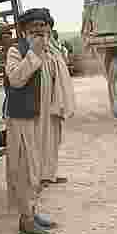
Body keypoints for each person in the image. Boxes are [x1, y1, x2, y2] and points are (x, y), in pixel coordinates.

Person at [3, 8, 59, 234]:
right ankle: (25, 220)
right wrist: (33, 55)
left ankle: (33, 211)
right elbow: (16, 79)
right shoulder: (16, 51)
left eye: (44, 31)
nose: (40, 36)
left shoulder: (49, 51)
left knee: (39, 168)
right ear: (24, 31)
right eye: (35, 32)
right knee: (24, 169)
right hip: (21, 120)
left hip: (42, 118)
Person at [42, 16, 76, 186]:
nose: (46, 31)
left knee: (55, 139)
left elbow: (62, 60)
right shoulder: (41, 45)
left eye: (48, 28)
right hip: (46, 99)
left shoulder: (53, 43)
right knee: (44, 140)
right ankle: (42, 176)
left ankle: (50, 174)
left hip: (56, 98)